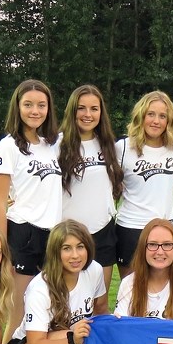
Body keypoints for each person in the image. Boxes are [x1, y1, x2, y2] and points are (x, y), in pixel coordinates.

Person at [0, 79, 61, 344]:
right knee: (17, 312)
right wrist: (1, 250)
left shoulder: (52, 144)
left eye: (41, 105)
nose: (35, 111)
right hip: (23, 233)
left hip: (53, 236)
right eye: (28, 104)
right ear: (17, 107)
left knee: (48, 308)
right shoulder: (8, 147)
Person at [58, 85, 123, 293]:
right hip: (67, 235)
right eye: (81, 108)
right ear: (72, 111)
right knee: (66, 299)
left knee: (99, 301)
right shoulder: (57, 145)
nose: (88, 114)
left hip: (102, 232)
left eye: (94, 109)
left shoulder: (109, 146)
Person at [115, 91, 173, 280]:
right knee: (132, 291)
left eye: (162, 116)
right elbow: (113, 187)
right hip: (131, 228)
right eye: (150, 114)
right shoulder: (123, 147)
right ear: (141, 116)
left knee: (165, 292)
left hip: (167, 228)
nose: (156, 121)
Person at [114, 218, 173, 321]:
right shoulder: (128, 283)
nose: (160, 252)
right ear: (143, 248)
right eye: (153, 244)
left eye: (167, 244)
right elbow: (123, 330)